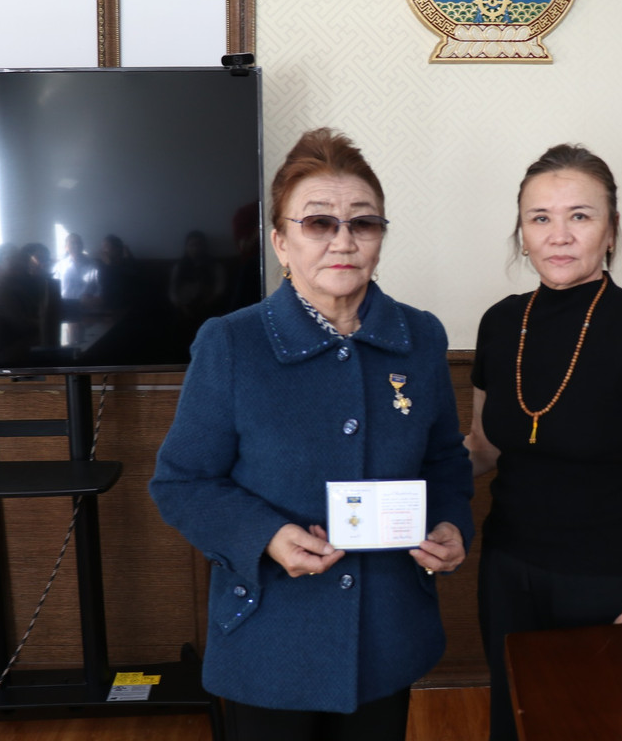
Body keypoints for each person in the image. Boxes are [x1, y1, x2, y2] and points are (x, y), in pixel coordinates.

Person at [149, 127, 474, 741]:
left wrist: (453, 524)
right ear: (281, 241)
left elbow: (444, 462)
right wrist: (267, 536)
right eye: (319, 223)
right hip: (272, 637)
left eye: (363, 223)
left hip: (387, 631)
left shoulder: (421, 336)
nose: (343, 241)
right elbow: (183, 483)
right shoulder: (232, 343)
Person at [466, 143, 622, 741]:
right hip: (508, 568)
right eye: (540, 218)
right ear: (522, 233)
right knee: (515, 720)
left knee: (596, 723)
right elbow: (484, 447)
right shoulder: (499, 323)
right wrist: (401, 486)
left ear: (611, 231)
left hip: (607, 577)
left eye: (580, 216)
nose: (558, 235)